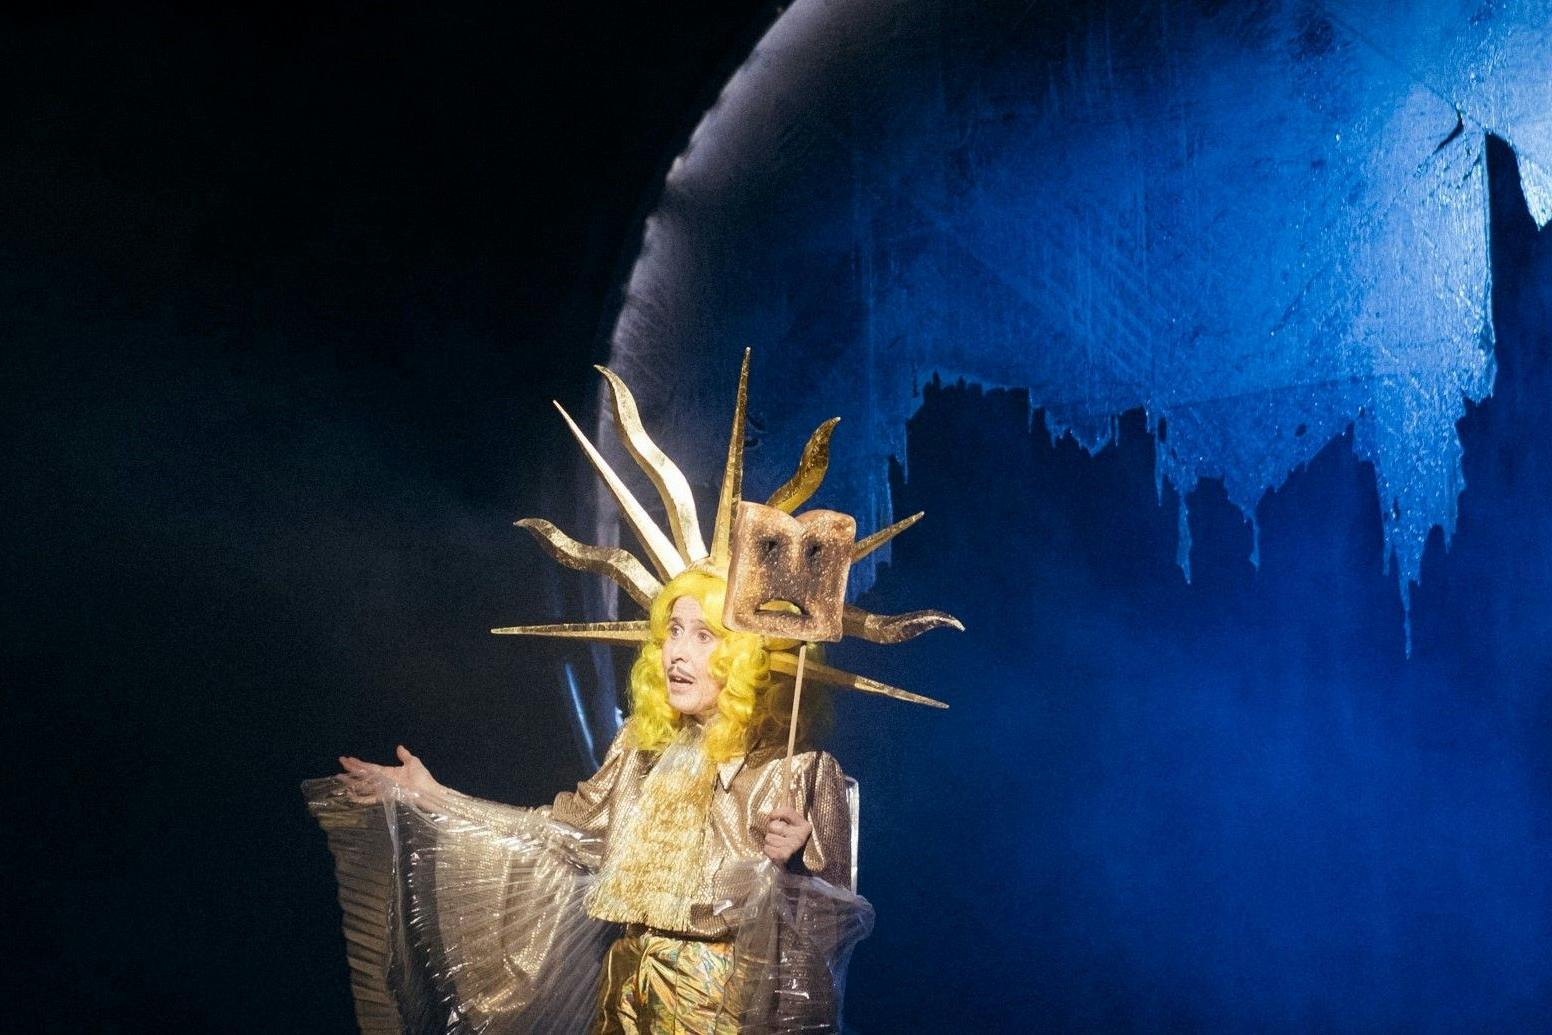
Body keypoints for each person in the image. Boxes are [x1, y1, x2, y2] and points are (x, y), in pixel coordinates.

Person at [308, 570, 866, 1034]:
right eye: (673, 630)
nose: (677, 651)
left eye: (704, 635)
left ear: (746, 654)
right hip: (627, 988)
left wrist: (794, 870)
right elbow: (556, 833)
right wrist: (433, 796)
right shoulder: (640, 754)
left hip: (724, 1004)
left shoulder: (799, 770)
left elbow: (832, 930)